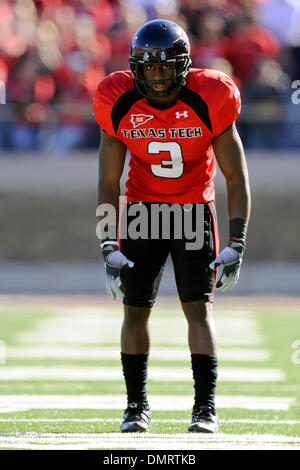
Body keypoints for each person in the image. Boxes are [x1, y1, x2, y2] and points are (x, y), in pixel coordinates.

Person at [93, 19, 250, 434]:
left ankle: (205, 408)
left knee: (198, 311)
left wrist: (238, 241)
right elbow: (108, 182)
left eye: (166, 66)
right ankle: (135, 406)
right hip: (143, 210)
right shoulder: (117, 99)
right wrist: (108, 243)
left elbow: (236, 177)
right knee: (134, 311)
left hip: (194, 211)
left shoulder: (210, 96)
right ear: (135, 68)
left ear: (183, 65)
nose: (158, 76)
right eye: (149, 67)